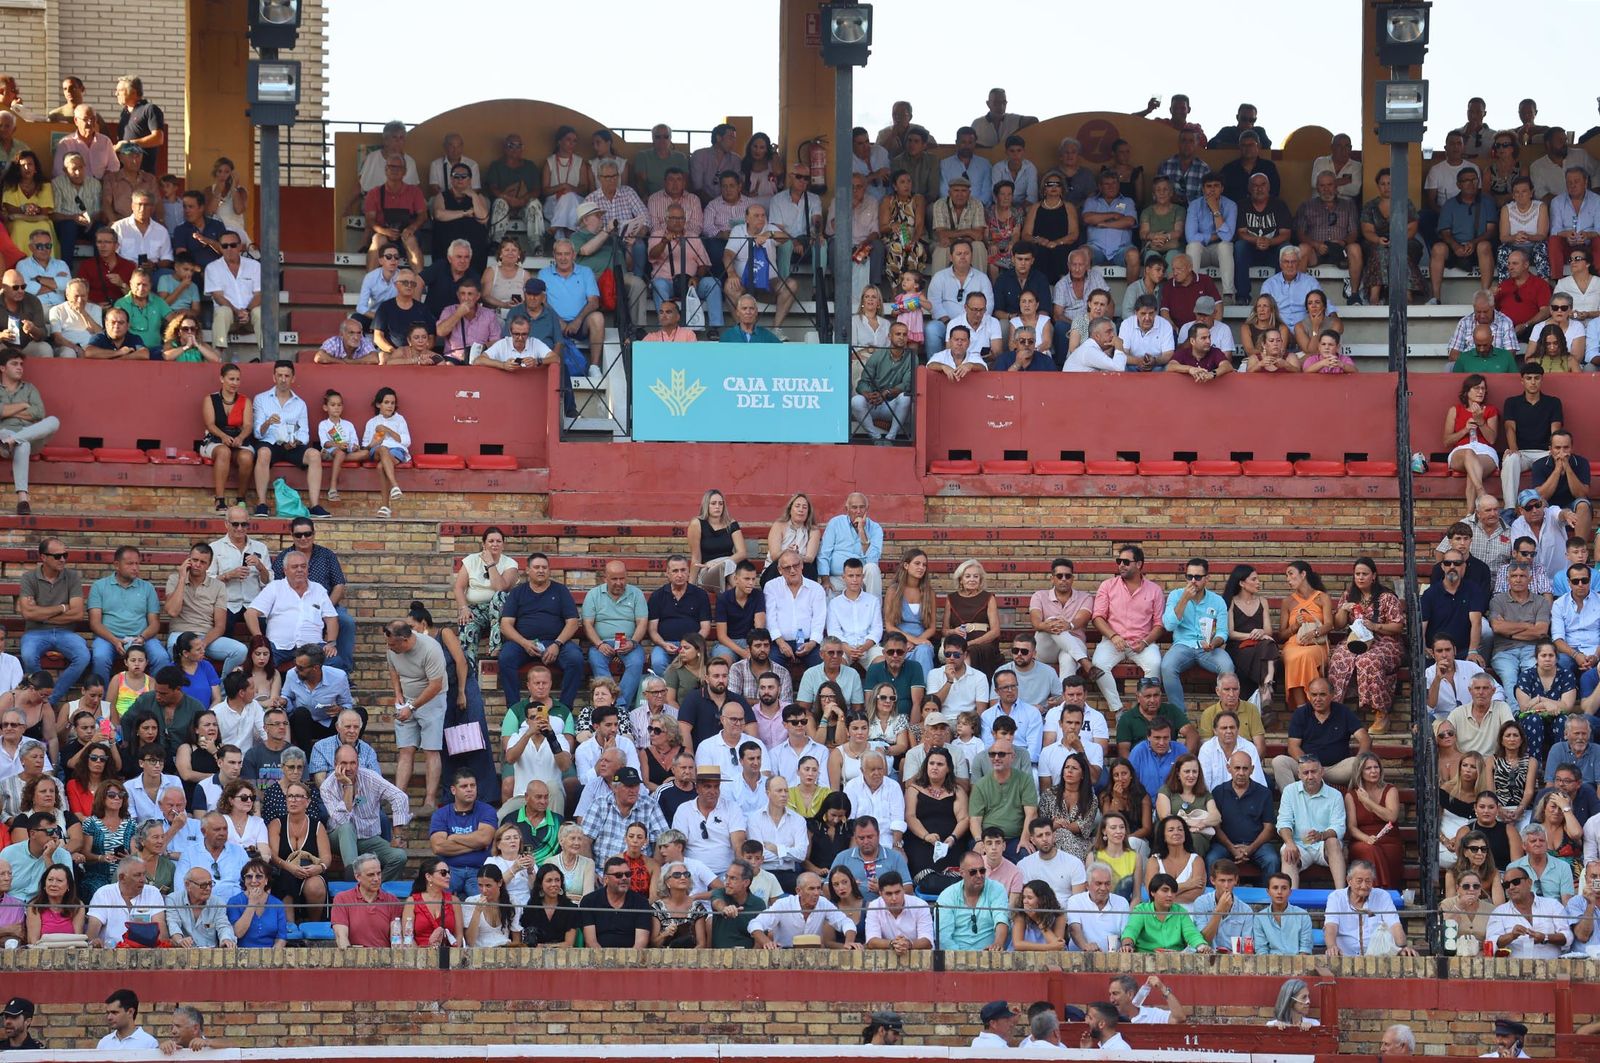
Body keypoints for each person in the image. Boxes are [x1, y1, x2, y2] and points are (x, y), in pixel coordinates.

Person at [1486, 866, 1569, 957]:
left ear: (1529, 882)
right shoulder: (1499, 912)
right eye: (1506, 885)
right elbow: (1491, 944)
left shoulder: (1552, 905)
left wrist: (1545, 937)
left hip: (1551, 967)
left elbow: (1567, 937)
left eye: (1516, 882)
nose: (1511, 887)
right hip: (1514, 969)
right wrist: (1511, 936)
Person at [935, 850, 1009, 951]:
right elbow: (943, 937)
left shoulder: (997, 889)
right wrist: (962, 958)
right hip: (955, 958)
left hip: (989, 955)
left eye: (982, 871)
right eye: (973, 872)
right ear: (962, 873)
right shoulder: (947, 896)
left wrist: (997, 944)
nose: (979, 875)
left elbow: (1001, 920)